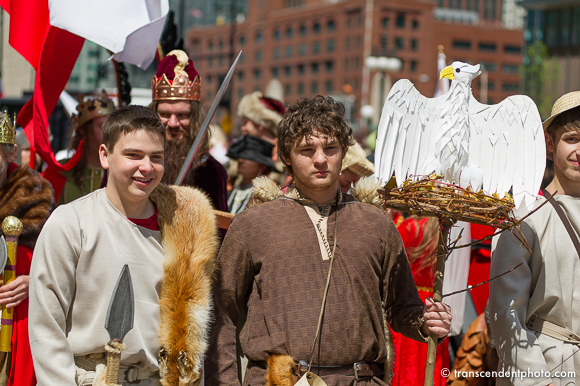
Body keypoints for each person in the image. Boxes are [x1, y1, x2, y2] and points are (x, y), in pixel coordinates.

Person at [206, 96, 452, 385]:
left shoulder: (376, 223)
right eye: (307, 150)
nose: (321, 159)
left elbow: (402, 308)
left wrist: (426, 320)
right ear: (287, 156)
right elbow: (218, 313)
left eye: (331, 148)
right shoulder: (253, 224)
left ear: (344, 152)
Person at [29, 106, 218, 385]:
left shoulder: (183, 229)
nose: (146, 167)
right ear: (105, 155)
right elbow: (46, 328)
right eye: (133, 155)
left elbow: (191, 333)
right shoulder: (71, 223)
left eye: (156, 157)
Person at [489, 91, 580, 386]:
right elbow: (505, 313)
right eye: (572, 138)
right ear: (550, 144)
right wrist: (537, 381)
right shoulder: (525, 215)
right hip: (550, 366)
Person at [0, 113, 54, 385]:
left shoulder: (34, 197)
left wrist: (35, 281)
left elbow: (62, 267)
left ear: (10, 153)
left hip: (17, 323)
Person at [150, 49, 228, 212]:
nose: (172, 123)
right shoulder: (132, 163)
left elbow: (218, 233)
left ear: (195, 118)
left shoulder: (212, 172)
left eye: (182, 115)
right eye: (164, 114)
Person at [58, 90, 116, 204]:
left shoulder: (121, 173)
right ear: (83, 129)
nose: (110, 132)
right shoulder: (60, 172)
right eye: (103, 126)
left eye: (112, 126)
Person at [226, 135, 277, 214]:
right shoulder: (233, 191)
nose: (240, 160)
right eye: (240, 156)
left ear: (262, 167)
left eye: (248, 157)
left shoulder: (263, 199)